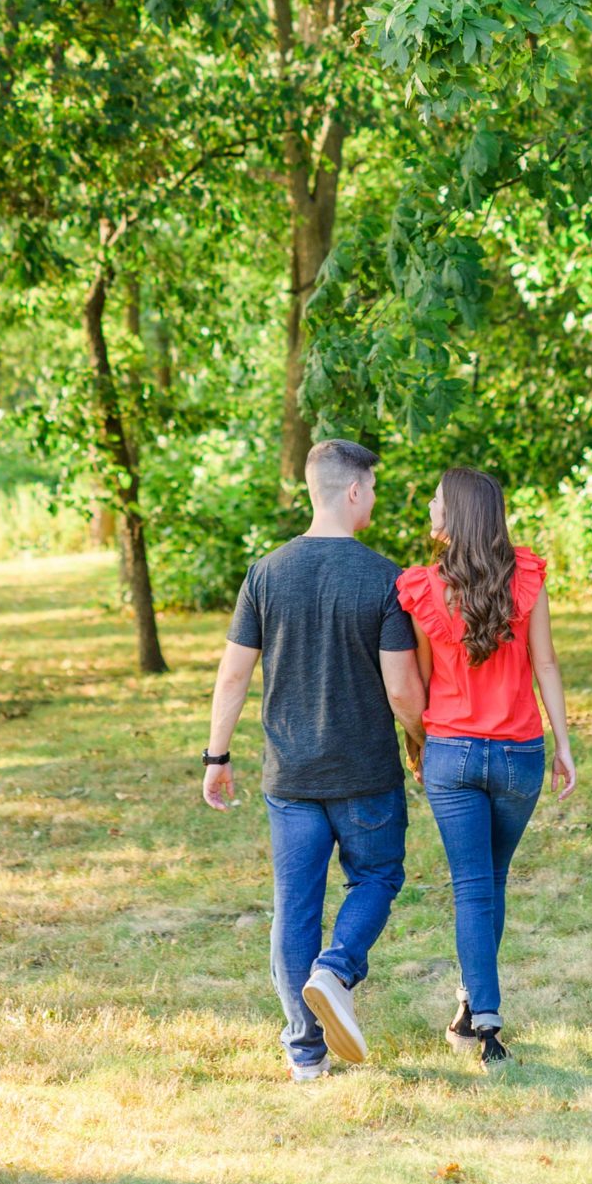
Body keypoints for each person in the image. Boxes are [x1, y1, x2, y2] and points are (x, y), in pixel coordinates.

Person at [201, 438, 425, 1080]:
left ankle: (305, 1053)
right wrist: (421, 740)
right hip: (365, 775)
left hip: (291, 779)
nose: (374, 499)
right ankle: (337, 967)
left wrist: (217, 755)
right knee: (377, 878)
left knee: (294, 906)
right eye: (374, 489)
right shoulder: (384, 577)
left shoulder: (266, 573)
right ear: (353, 491)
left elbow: (233, 677)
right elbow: (403, 689)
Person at [396, 466, 576, 1070]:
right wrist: (564, 744)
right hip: (520, 754)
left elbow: (420, 684)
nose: (429, 505)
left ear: (459, 516)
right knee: (490, 883)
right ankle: (473, 1009)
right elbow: (545, 664)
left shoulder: (423, 588)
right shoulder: (525, 577)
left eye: (438, 500)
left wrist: (417, 745)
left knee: (474, 886)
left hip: (452, 752)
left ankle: (485, 1014)